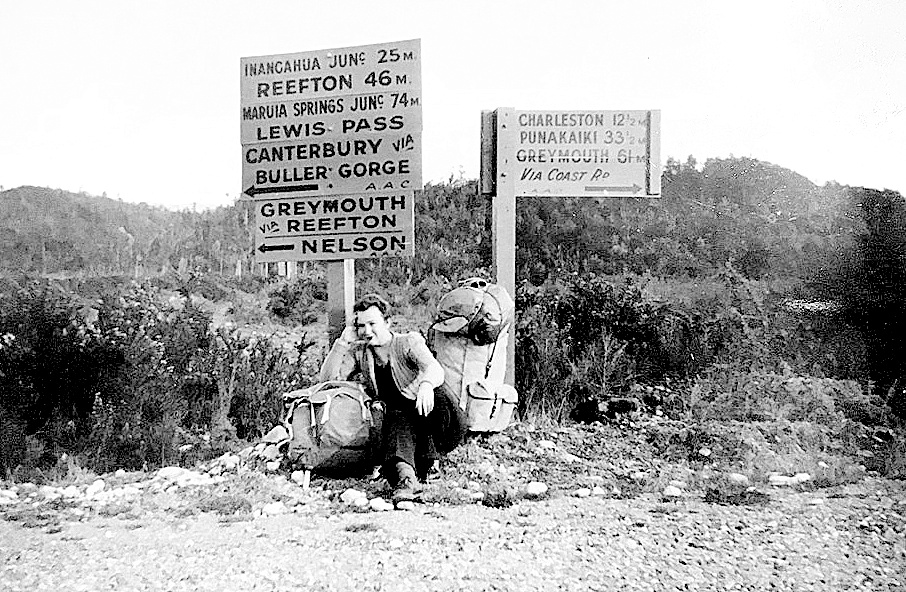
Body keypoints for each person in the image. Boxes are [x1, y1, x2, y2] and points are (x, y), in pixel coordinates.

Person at [319, 293, 466, 501]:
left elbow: (434, 368)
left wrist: (425, 385)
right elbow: (328, 381)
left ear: (387, 322)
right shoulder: (360, 353)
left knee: (437, 393)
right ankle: (407, 481)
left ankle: (429, 460)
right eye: (361, 326)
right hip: (402, 427)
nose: (367, 331)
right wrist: (342, 343)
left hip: (438, 421)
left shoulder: (407, 342)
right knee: (397, 418)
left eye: (372, 324)